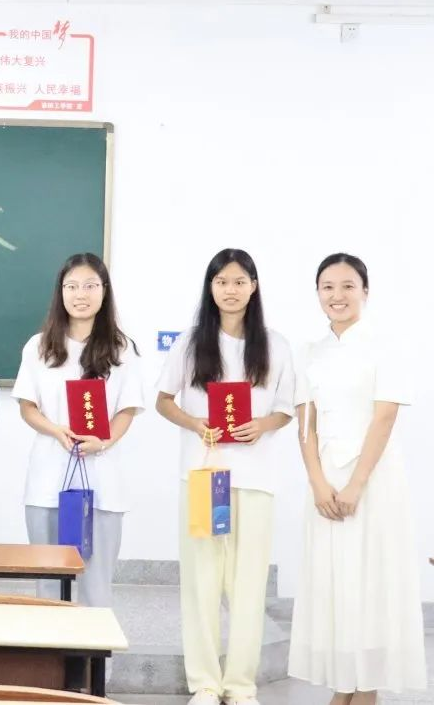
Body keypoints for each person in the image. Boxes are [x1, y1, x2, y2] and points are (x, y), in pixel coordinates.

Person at [156, 248, 294, 705]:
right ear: (210, 287)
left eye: (239, 281)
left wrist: (263, 424)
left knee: (249, 585)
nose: (230, 290)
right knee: (201, 581)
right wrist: (195, 423)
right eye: (221, 282)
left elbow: (286, 409)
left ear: (254, 286)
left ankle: (240, 685)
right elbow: (163, 401)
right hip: (203, 475)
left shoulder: (275, 345)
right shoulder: (190, 342)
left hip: (255, 480)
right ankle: (205, 683)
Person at [288, 253, 427, 704]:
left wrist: (356, 485)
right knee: (334, 582)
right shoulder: (308, 351)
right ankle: (342, 685)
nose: (337, 295)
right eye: (328, 287)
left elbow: (384, 418)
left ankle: (366, 689)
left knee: (369, 580)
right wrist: (317, 483)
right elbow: (305, 424)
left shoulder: (384, 346)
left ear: (365, 291)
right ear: (317, 294)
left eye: (348, 286)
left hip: (374, 479)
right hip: (326, 480)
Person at [13, 252, 143, 605]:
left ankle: (94, 645)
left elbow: (127, 409)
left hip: (103, 484)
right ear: (61, 292)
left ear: (104, 291)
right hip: (47, 482)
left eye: (90, 285)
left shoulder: (122, 348)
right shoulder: (39, 346)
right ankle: (50, 645)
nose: (80, 294)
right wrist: (56, 430)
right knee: (48, 587)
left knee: (96, 589)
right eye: (72, 286)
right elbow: (28, 407)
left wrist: (103, 441)